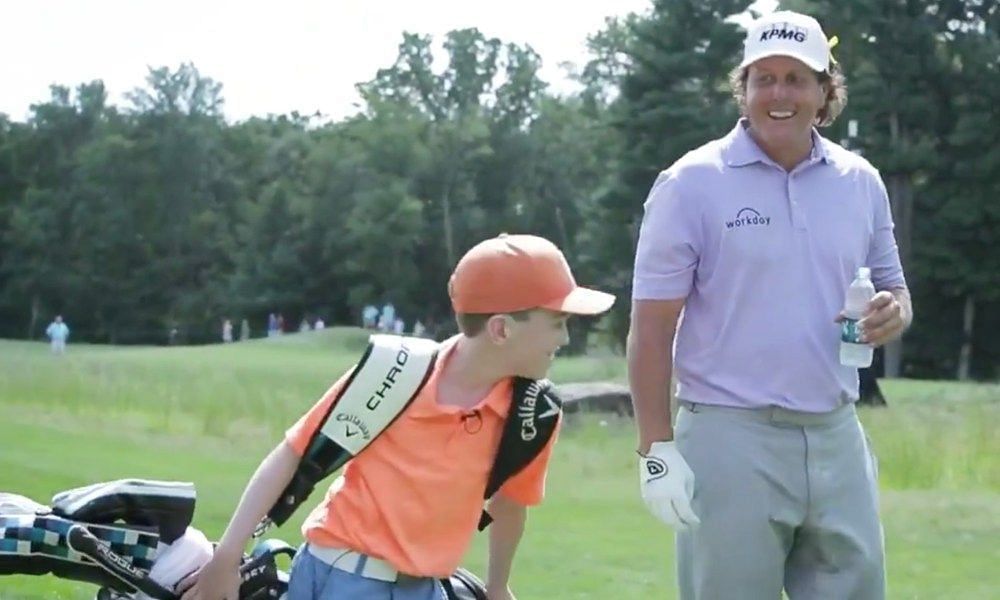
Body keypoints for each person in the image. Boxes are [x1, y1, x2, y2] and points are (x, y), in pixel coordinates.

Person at [628, 11, 912, 600]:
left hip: (837, 433)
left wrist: (894, 313)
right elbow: (651, 329)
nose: (779, 94)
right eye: (764, 78)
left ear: (824, 91)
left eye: (796, 78)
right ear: (745, 88)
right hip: (730, 437)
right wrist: (656, 449)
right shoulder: (690, 182)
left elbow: (896, 290)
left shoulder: (860, 181)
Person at [180, 234, 614, 600]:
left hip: (421, 588)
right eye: (557, 322)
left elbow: (510, 505)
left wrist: (498, 588)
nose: (565, 337)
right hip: (334, 575)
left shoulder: (533, 413)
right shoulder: (396, 370)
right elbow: (293, 453)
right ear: (501, 329)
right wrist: (228, 555)